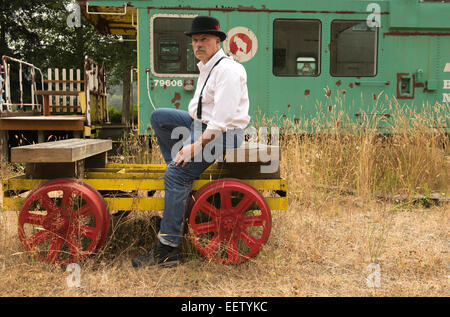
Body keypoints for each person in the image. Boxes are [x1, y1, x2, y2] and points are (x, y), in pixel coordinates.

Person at [132, 15, 250, 268]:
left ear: (218, 40)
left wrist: (196, 145)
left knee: (175, 176)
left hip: (223, 134)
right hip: (201, 124)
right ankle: (181, 170)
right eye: (195, 40)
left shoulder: (227, 71)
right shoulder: (207, 66)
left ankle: (168, 250)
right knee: (159, 117)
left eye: (204, 39)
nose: (198, 44)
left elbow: (221, 121)